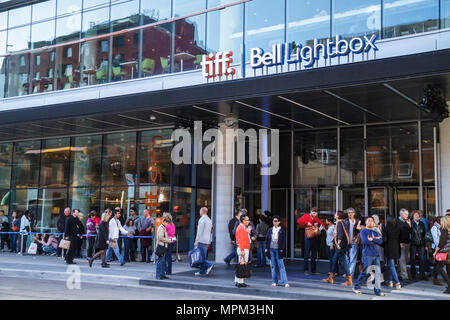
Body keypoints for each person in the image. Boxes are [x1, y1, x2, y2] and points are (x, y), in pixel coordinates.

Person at [353, 216, 386, 297]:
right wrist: (375, 240)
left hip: (376, 255)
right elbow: (365, 241)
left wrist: (373, 239)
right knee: (365, 272)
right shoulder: (363, 231)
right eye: (368, 221)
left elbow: (381, 241)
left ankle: (378, 291)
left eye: (372, 221)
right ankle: (356, 286)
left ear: (374, 223)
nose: (370, 222)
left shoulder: (375, 232)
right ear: (366, 222)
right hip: (367, 255)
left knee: (378, 273)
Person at [323, 211, 352, 286]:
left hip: (340, 246)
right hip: (340, 245)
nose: (335, 215)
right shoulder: (343, 222)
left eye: (336, 214)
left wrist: (338, 244)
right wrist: (334, 242)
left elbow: (340, 234)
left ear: (338, 216)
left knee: (343, 262)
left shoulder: (339, 223)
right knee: (334, 260)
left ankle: (349, 279)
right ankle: (331, 278)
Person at [297, 207, 324, 275]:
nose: (314, 214)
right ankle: (306, 270)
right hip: (308, 237)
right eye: (313, 212)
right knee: (307, 254)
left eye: (316, 213)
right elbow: (299, 221)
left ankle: (313, 270)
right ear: (311, 212)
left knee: (314, 254)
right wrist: (307, 223)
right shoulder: (306, 216)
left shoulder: (316, 218)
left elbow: (322, 225)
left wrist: (318, 225)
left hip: (314, 236)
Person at [265, 216, 289, 287]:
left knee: (281, 266)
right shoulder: (270, 230)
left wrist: (282, 249)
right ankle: (274, 281)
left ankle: (285, 282)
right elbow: (267, 239)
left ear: (279, 222)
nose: (274, 222)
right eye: (273, 221)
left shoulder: (282, 230)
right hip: (271, 249)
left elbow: (284, 241)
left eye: (276, 221)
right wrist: (266, 248)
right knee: (273, 266)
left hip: (278, 250)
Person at [383, 216, 402, 289]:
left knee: (391, 266)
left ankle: (397, 282)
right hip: (396, 247)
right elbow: (400, 238)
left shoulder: (386, 228)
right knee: (391, 265)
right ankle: (390, 281)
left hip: (389, 248)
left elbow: (384, 239)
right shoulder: (397, 228)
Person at [432, 216, 450, 294]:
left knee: (440, 267)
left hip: (445, 251)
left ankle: (449, 286)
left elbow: (441, 242)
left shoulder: (444, 229)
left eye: (442, 221)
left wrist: (435, 252)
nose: (441, 223)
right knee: (449, 269)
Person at [194, 207, 214, 276]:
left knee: (201, 257)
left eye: (200, 211)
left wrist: (196, 240)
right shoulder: (209, 220)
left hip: (201, 240)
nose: (199, 213)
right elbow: (211, 230)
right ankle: (202, 271)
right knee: (203, 256)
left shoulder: (202, 219)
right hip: (207, 240)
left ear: (202, 211)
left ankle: (209, 265)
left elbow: (200, 231)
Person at [343, 208, 361, 278]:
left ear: (354, 213)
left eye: (351, 212)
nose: (350, 214)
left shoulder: (357, 221)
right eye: (349, 213)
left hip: (354, 242)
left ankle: (350, 274)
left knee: (353, 258)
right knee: (346, 258)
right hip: (346, 242)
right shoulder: (345, 221)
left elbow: (360, 231)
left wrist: (357, 236)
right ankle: (348, 272)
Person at [410, 210, 427, 280]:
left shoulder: (422, 223)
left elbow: (424, 235)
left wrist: (425, 245)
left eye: (418, 215)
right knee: (413, 259)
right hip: (413, 244)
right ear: (413, 216)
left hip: (421, 243)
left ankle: (422, 275)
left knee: (422, 259)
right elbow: (409, 233)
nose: (417, 216)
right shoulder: (410, 223)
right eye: (415, 215)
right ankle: (413, 275)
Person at [235, 214, 251, 287]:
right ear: (243, 220)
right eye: (247, 220)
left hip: (243, 248)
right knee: (242, 265)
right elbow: (240, 240)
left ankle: (237, 281)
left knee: (240, 264)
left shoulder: (242, 227)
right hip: (243, 248)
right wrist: (242, 250)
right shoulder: (241, 228)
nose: (248, 221)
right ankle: (240, 282)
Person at [398, 208, 412, 283]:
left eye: (407, 214)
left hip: (407, 242)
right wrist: (399, 242)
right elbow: (396, 233)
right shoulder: (397, 222)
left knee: (406, 259)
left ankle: (399, 272)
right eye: (405, 214)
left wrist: (410, 226)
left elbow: (411, 232)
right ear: (401, 214)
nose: (407, 215)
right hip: (401, 243)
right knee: (402, 259)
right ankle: (404, 276)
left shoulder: (407, 222)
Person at [431, 217, 443, 286]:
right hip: (437, 248)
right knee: (437, 264)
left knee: (440, 264)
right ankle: (435, 279)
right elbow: (435, 239)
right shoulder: (434, 228)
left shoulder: (441, 227)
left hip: (440, 247)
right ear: (438, 221)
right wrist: (439, 247)